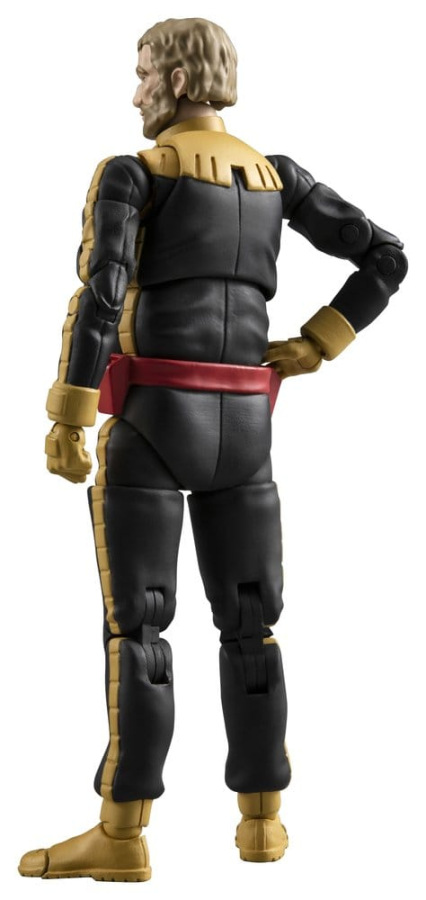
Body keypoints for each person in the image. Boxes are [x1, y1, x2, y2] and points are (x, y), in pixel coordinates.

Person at [18, 17, 407, 882]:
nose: (136, 93)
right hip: (246, 430)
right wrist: (318, 342)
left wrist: (69, 411)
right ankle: (262, 823)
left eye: (144, 73)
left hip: (153, 419)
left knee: (140, 628)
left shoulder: (134, 174)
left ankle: (122, 835)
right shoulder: (278, 178)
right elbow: (385, 257)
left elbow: (100, 294)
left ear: (180, 80)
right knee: (251, 624)